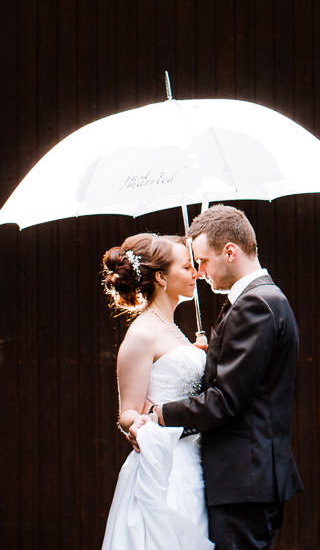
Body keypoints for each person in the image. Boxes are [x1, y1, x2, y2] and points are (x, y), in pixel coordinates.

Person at [133, 206, 304, 550]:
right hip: (247, 477)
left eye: (203, 261)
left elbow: (225, 400)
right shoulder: (259, 300)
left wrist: (160, 413)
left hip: (244, 479)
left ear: (230, 252)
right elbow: (246, 381)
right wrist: (212, 356)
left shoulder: (256, 305)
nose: (200, 272)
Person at [100, 233, 213, 550]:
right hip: (167, 467)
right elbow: (128, 411)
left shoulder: (173, 328)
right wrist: (137, 423)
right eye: (187, 267)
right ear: (162, 277)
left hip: (196, 458)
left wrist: (199, 355)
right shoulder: (142, 333)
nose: (196, 273)